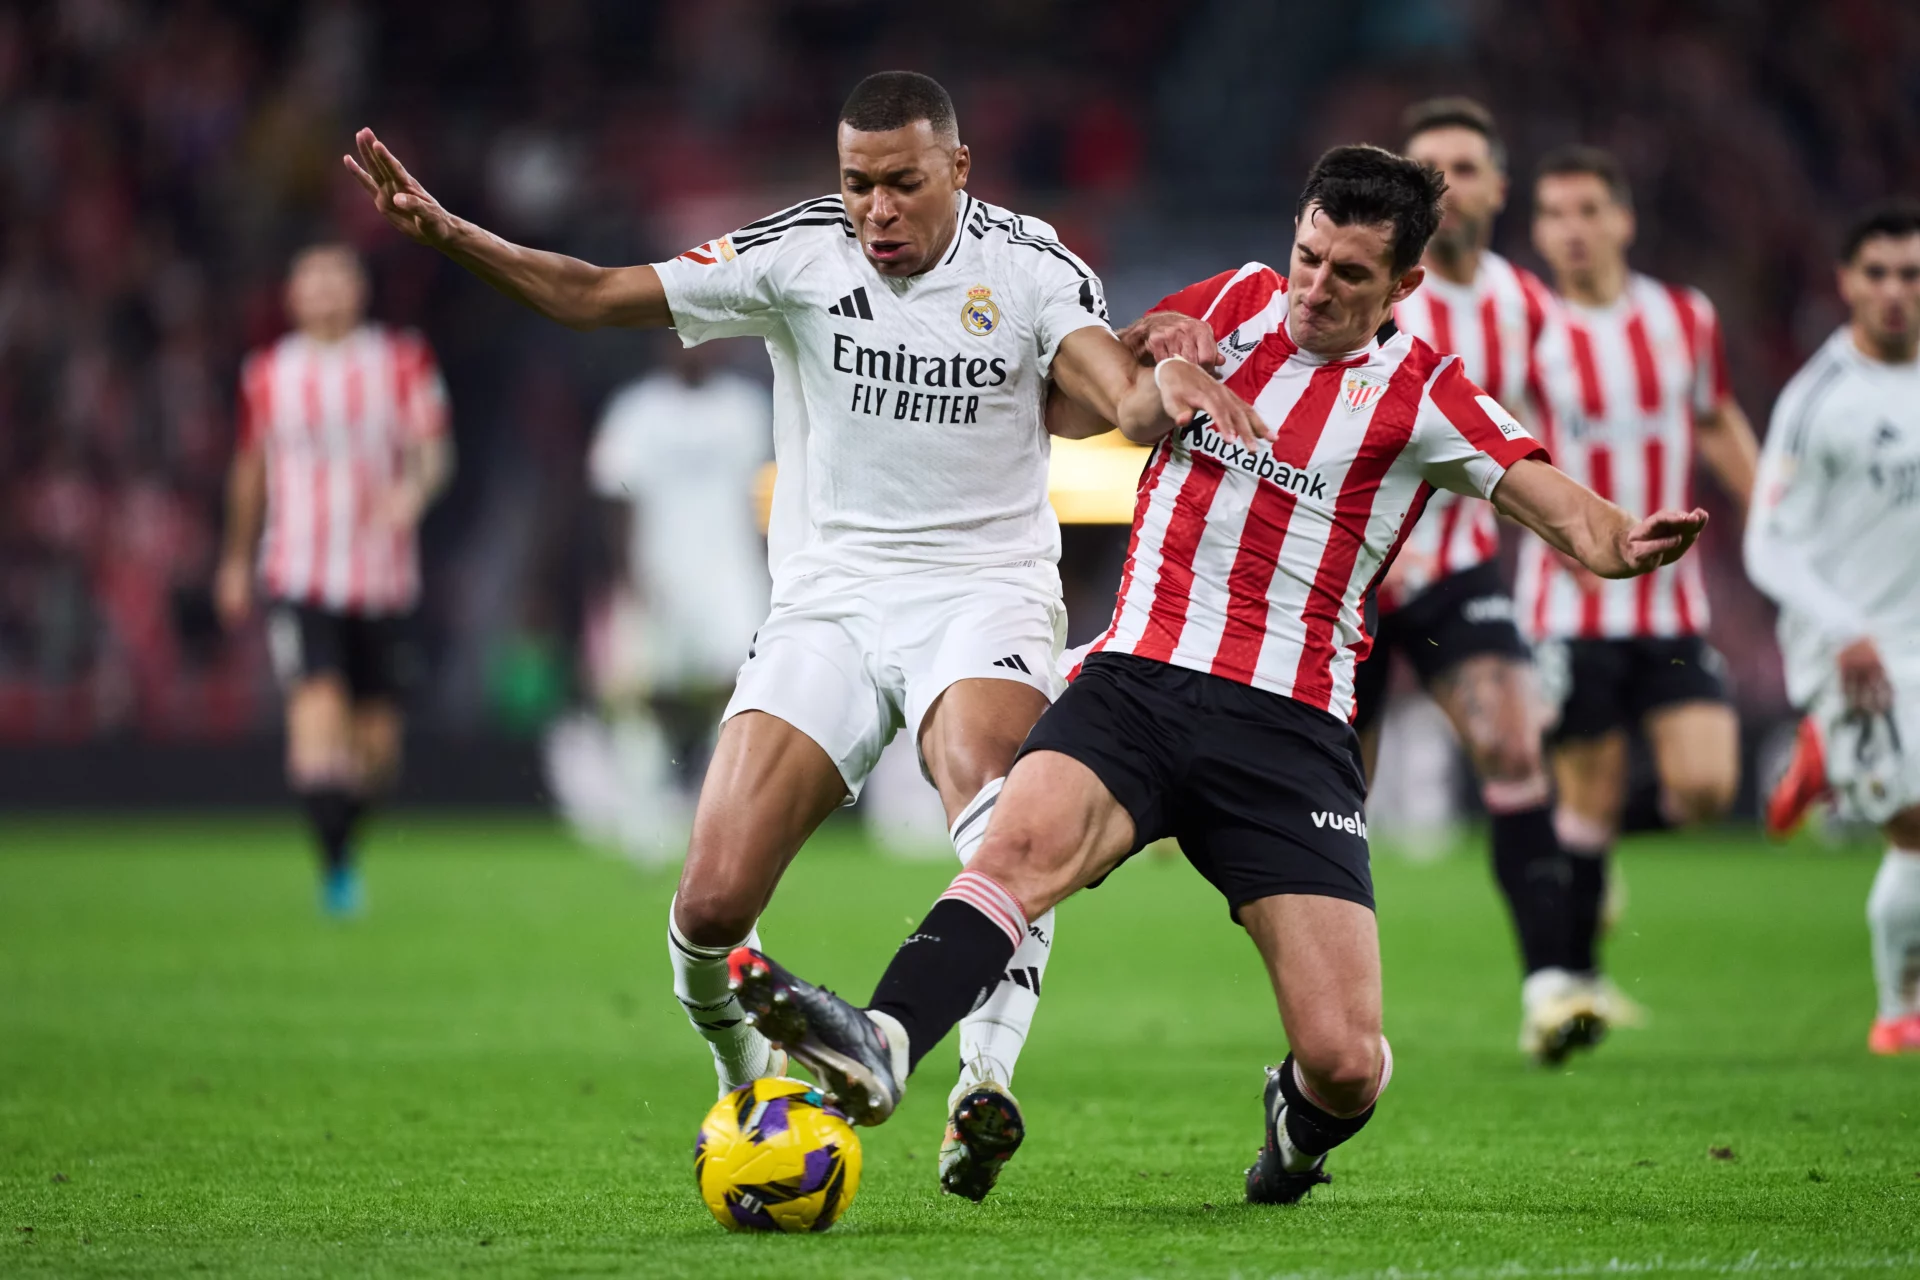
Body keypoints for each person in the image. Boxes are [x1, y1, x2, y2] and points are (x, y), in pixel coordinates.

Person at [725, 144, 1710, 1205]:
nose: (1315, 290)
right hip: (1138, 681)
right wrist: (1160, 345)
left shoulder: (1427, 392)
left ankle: (1297, 1121)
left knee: (1344, 1058)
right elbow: (1092, 379)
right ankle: (882, 1039)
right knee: (1014, 844)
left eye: (1349, 276)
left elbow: (1557, 503)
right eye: (1309, 256)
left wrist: (1620, 538)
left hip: (1287, 735)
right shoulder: (1239, 297)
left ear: (1405, 287)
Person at [344, 70, 1260, 1199]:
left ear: (958, 173)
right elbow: (589, 293)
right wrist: (449, 234)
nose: (875, 209)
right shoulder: (797, 254)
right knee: (710, 903)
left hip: (982, 595)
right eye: (857, 183)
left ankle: (985, 1076)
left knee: (996, 813)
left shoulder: (1028, 266)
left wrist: (1165, 375)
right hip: (826, 602)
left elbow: (1112, 400)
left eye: (903, 184)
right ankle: (751, 1085)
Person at [1349, 98, 1587, 1062]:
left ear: (1496, 187)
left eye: (1465, 167)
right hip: (1351, 579)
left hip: (1456, 570)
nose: (1448, 184)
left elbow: (1528, 439)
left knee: (1515, 749)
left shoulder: (1525, 303)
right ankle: (1336, 1018)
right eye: (1429, 167)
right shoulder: (1376, 290)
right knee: (1327, 798)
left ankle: (1551, 985)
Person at [1518, 145, 1758, 1022]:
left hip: (1673, 601)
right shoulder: (1530, 327)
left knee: (1706, 787)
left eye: (1588, 211)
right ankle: (1573, 983)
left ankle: (1597, 860)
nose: (1572, 231)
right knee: (1586, 790)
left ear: (1623, 218)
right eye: (1554, 215)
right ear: (1538, 229)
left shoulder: (1684, 318)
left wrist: (1765, 501)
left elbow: (1717, 417)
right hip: (1569, 601)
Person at [215, 244, 453, 916]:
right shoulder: (266, 374)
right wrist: (234, 560)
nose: (323, 290)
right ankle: (336, 873)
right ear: (291, 294)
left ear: (359, 288)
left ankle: (342, 845)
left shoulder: (403, 360)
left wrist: (412, 490)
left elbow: (434, 451)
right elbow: (250, 470)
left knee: (377, 751)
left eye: (336, 276)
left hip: (382, 579)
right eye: (310, 277)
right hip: (299, 572)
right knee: (316, 714)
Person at [1744, 201, 1920, 1055]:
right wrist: (1844, 627)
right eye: (1877, 274)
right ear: (1848, 282)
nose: (1893, 291)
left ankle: (1823, 754)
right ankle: (1897, 1015)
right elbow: (1766, 544)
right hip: (1863, 653)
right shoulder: (1820, 398)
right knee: (1916, 832)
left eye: (1910, 275)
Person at [563, 341, 773, 858]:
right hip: (658, 575)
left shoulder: (747, 408)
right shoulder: (636, 410)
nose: (693, 345)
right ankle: (647, 818)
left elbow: (767, 493)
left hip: (731, 576)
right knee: (640, 694)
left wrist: (773, 565)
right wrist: (628, 574)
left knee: (741, 691)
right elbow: (613, 497)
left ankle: (716, 805)